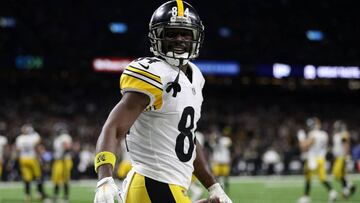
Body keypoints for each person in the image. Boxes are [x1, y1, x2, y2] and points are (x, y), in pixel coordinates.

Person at [93, 1, 232, 203]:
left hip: (169, 187)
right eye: (171, 33)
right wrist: (105, 177)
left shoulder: (196, 76)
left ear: (196, 37)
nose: (179, 39)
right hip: (153, 182)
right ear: (157, 36)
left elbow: (188, 139)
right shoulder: (153, 73)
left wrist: (213, 185)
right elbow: (114, 128)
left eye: (185, 33)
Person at [297, 117, 337, 203]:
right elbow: (325, 146)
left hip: (313, 159)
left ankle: (306, 197)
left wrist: (301, 138)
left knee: (308, 178)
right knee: (322, 178)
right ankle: (332, 192)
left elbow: (304, 147)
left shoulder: (313, 134)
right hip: (321, 159)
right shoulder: (324, 134)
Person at [15, 124, 47, 202]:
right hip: (32, 158)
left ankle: (27, 195)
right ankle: (39, 193)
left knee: (27, 179)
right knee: (38, 177)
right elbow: (39, 142)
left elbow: (18, 149)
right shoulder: (33, 137)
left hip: (23, 159)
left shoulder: (19, 138)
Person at [331, 120, 356, 198]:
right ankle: (350, 186)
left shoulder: (343, 134)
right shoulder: (337, 135)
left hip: (342, 157)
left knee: (338, 174)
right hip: (337, 157)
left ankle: (346, 190)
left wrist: (346, 156)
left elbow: (346, 145)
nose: (335, 128)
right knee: (340, 175)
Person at [51, 129, 73, 201]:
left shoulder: (64, 137)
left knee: (65, 178)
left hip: (64, 160)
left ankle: (65, 196)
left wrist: (62, 155)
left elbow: (67, 146)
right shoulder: (57, 139)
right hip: (59, 160)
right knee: (56, 178)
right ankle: (56, 195)